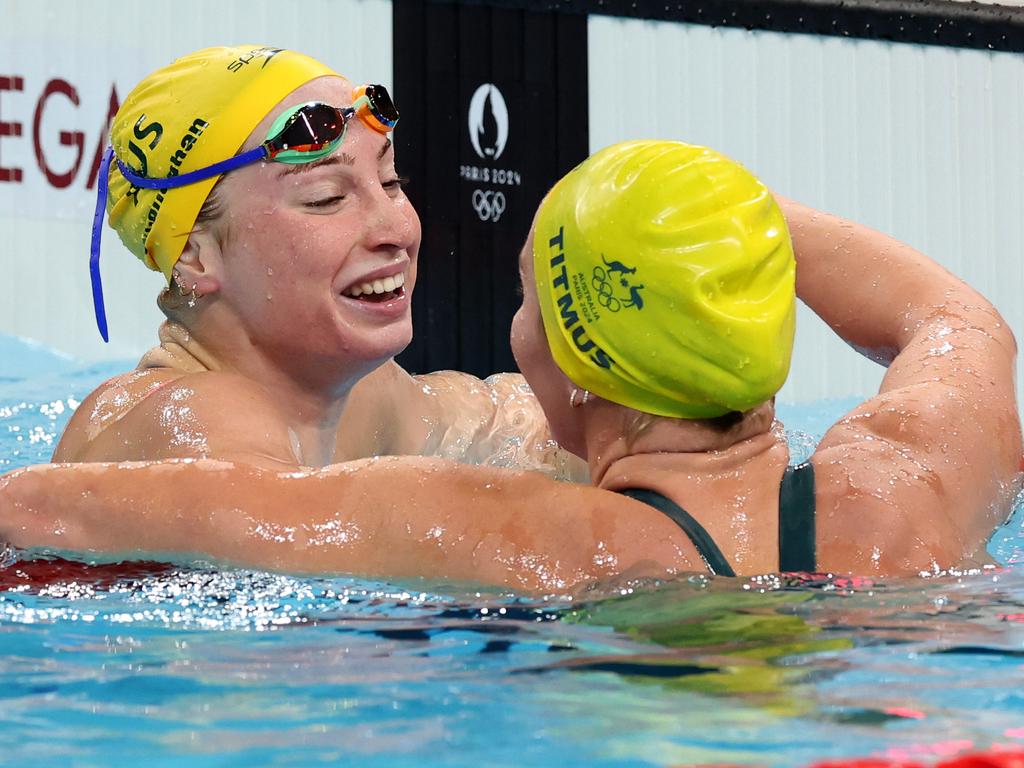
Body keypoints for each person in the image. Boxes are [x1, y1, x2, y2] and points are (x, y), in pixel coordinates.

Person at [2, 141, 1018, 592]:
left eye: (530, 297)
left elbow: (95, 512)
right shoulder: (913, 483)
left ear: (572, 368)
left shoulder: (531, 536)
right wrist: (714, 217)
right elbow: (955, 318)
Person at [63, 44, 580, 478]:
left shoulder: (350, 397)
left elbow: (514, 429)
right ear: (196, 255)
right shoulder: (189, 424)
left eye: (390, 182)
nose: (396, 231)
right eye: (326, 198)